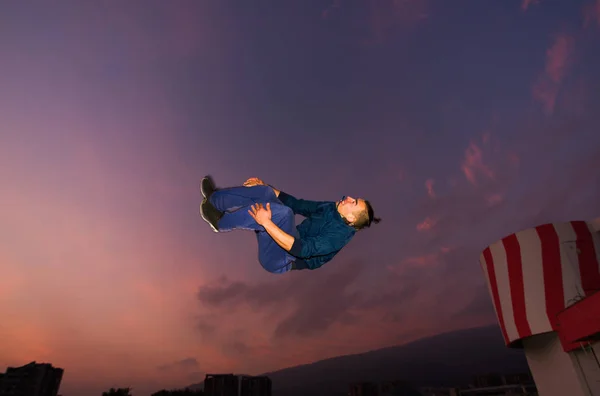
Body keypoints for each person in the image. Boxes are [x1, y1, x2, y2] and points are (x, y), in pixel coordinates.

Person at [199, 175, 381, 273]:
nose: (349, 198)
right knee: (265, 192)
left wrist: (266, 222)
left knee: (282, 213)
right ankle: (215, 200)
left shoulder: (339, 236)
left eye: (354, 202)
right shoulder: (330, 208)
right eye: (354, 198)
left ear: (351, 219)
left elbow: (302, 250)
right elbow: (298, 204)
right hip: (289, 235)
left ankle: (220, 222)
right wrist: (267, 187)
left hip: (282, 259)